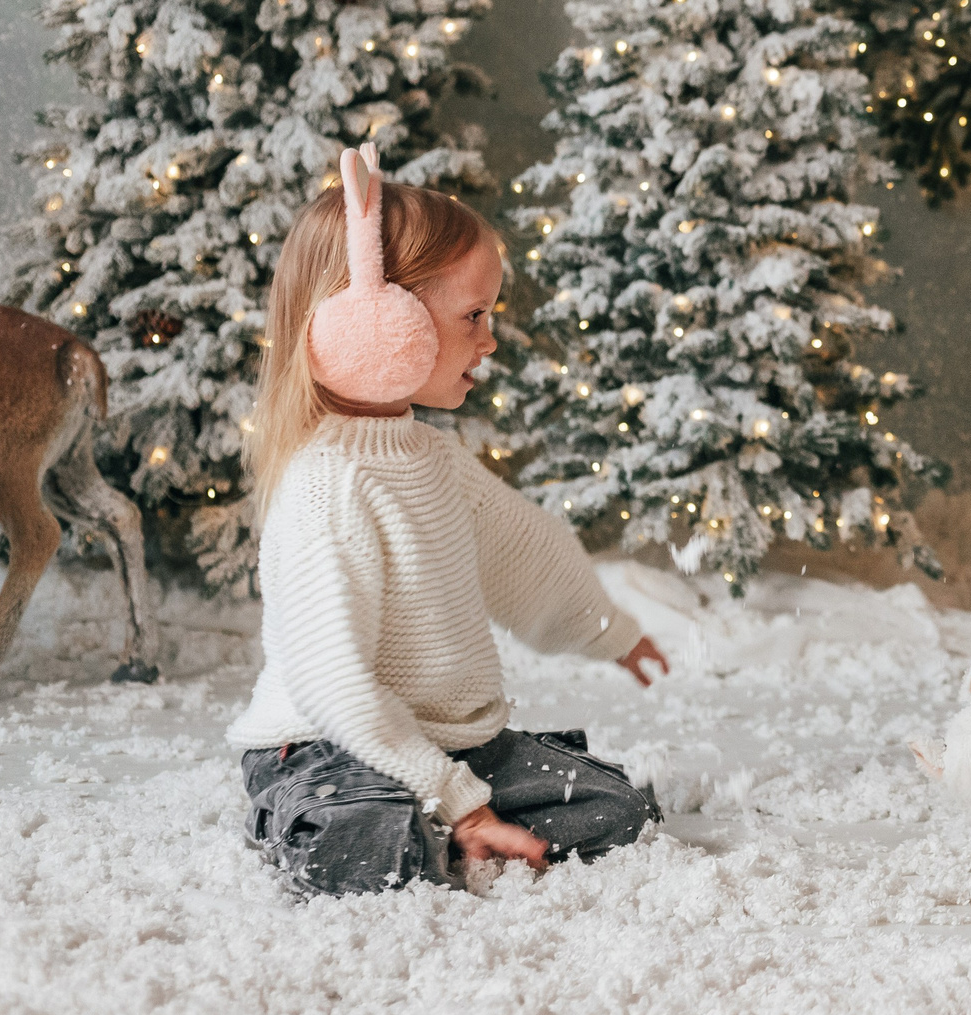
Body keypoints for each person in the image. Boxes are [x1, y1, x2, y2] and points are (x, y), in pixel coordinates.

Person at [227, 145, 670, 896]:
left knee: (619, 810)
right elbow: (334, 684)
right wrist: (461, 804)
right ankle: (393, 827)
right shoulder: (327, 486)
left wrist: (609, 632)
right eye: (474, 315)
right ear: (377, 324)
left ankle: (437, 829)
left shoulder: (432, 459)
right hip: (330, 744)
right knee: (366, 835)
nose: (490, 338)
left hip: (448, 743)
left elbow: (526, 552)